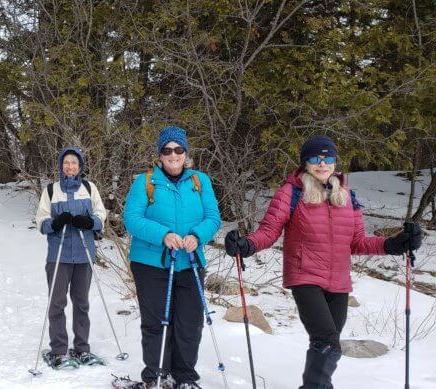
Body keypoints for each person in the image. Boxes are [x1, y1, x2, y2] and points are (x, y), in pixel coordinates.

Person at [224, 135, 423, 389]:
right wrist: (247, 245)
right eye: (315, 158)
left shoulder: (347, 197)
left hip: (338, 281)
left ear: (335, 161)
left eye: (328, 157)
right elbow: (269, 230)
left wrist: (394, 244)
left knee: (328, 346)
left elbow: (358, 242)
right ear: (305, 162)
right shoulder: (291, 193)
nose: (322, 163)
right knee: (327, 341)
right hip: (305, 276)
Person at [123, 126, 222, 388]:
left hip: (190, 262)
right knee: (156, 323)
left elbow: (213, 218)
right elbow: (131, 219)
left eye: (178, 149)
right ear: (160, 155)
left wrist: (197, 236)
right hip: (151, 263)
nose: (173, 155)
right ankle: (157, 375)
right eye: (167, 150)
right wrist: (163, 234)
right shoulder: (144, 181)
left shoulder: (200, 181)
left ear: (186, 153)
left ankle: (184, 377)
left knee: (189, 324)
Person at [35, 147, 108, 369]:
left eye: (74, 163)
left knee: (82, 303)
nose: (70, 166)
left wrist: (90, 222)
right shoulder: (50, 190)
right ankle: (58, 350)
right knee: (57, 303)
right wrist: (55, 223)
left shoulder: (89, 188)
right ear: (60, 165)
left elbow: (101, 215)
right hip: (59, 255)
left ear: (80, 166)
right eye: (66, 162)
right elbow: (41, 221)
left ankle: (82, 347)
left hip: (84, 255)